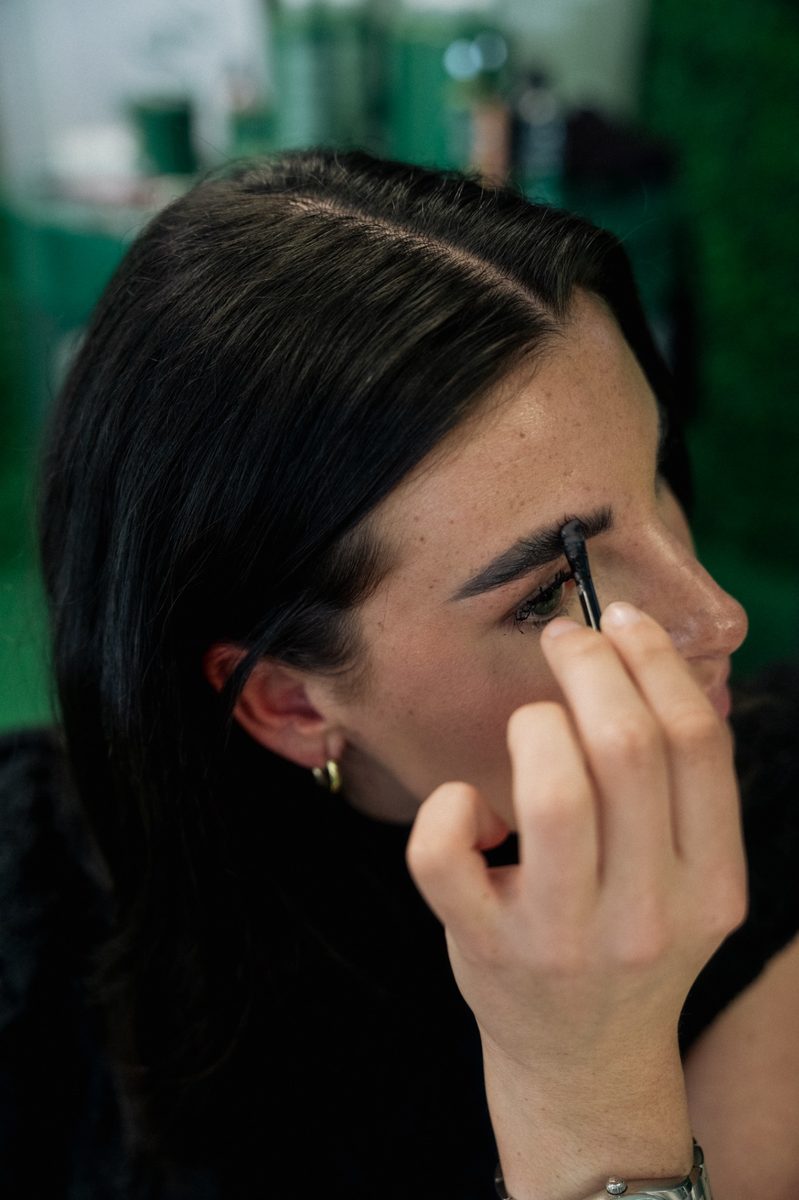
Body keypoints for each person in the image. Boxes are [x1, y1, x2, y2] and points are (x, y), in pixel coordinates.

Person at [2, 150, 798, 1199]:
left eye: (655, 475)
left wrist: (589, 1085)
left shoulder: (772, 830)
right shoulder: (29, 901)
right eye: (549, 592)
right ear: (289, 702)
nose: (717, 617)